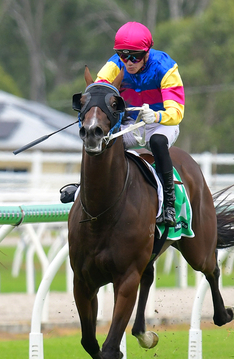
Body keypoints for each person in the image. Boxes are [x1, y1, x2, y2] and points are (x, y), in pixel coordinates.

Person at [61, 21, 184, 227]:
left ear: (147, 52)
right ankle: (84, 188)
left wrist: (156, 116)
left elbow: (177, 113)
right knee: (101, 141)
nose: (129, 62)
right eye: (123, 55)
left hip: (161, 122)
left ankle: (170, 204)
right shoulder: (114, 65)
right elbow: (98, 91)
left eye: (135, 56)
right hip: (131, 122)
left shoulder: (166, 68)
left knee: (157, 142)